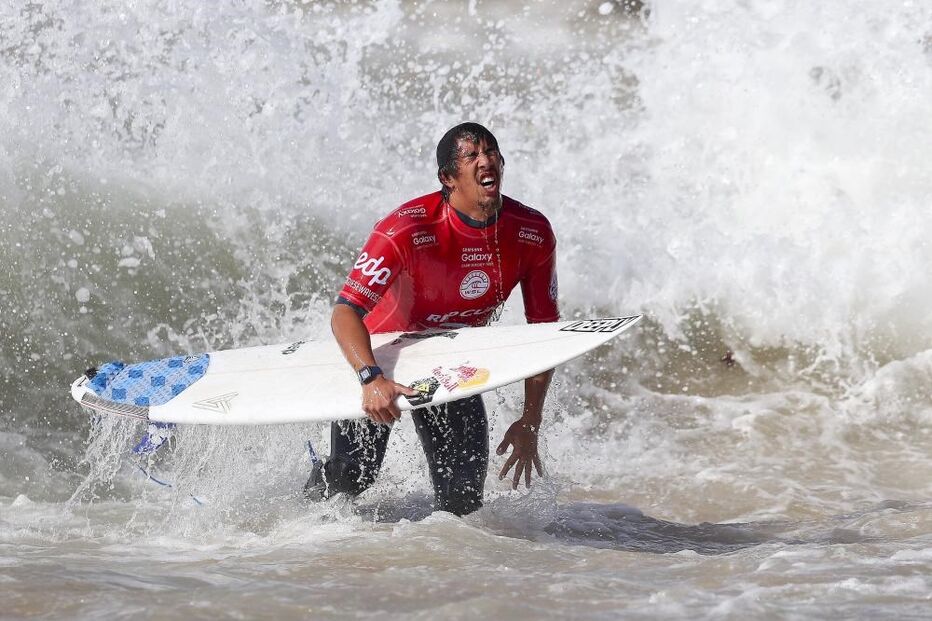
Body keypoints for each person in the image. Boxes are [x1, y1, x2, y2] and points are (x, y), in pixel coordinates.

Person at [304, 122, 560, 516]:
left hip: (448, 365)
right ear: (447, 178)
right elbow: (345, 312)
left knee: (463, 501)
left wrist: (530, 420)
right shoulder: (406, 228)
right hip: (383, 358)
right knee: (351, 479)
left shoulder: (531, 233)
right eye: (472, 156)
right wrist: (370, 378)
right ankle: (302, 508)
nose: (486, 161)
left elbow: (544, 332)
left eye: (491, 152)